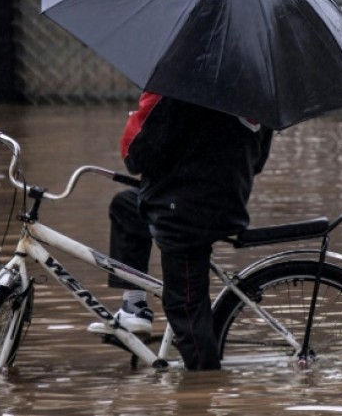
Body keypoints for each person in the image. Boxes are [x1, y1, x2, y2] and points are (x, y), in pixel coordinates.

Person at [87, 91, 272, 370]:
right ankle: (134, 305)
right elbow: (257, 162)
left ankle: (203, 389)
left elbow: (136, 156)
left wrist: (139, 116)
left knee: (184, 308)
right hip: (226, 197)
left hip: (186, 210)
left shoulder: (180, 83)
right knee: (127, 206)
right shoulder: (258, 88)